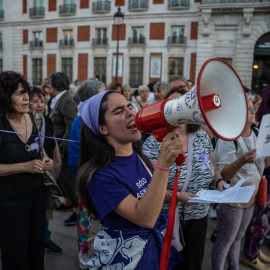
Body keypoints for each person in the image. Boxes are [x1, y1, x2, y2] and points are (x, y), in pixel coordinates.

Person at [76, 90, 188, 268]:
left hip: (151, 250)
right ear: (102, 128)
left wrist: (179, 196)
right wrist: (164, 163)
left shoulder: (137, 155)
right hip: (130, 259)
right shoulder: (99, 175)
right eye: (118, 111)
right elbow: (145, 218)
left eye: (129, 106)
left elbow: (147, 193)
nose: (130, 112)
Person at [143, 87, 224, 270]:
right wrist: (178, 197)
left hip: (198, 218)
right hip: (164, 219)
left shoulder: (203, 137)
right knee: (165, 264)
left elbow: (213, 170)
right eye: (172, 105)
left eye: (183, 104)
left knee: (192, 265)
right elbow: (148, 188)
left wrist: (219, 183)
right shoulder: (154, 141)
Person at [0, 71, 53, 270]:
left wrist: (45, 158)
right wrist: (24, 166)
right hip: (10, 202)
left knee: (36, 250)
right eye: (19, 93)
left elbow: (40, 148)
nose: (26, 98)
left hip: (37, 197)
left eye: (26, 93)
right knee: (16, 254)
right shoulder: (1, 124)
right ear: (6, 96)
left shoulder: (34, 119)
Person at [212, 95, 270, 270]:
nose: (254, 112)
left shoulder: (257, 133)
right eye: (250, 109)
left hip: (249, 197)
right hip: (232, 199)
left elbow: (263, 165)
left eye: (254, 108)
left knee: (238, 237)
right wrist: (241, 161)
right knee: (225, 240)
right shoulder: (228, 138)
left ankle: (234, 267)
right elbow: (223, 174)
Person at [68, 80, 105, 269]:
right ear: (92, 98)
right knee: (84, 217)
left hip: (104, 176)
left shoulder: (100, 117)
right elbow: (75, 156)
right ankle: (83, 252)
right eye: (102, 94)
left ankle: (105, 248)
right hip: (86, 177)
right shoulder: (80, 120)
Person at [29, 86, 62, 255]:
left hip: (48, 171)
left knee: (47, 207)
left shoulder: (47, 120)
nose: (40, 105)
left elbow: (53, 139)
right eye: (35, 102)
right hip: (30, 172)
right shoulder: (25, 120)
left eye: (42, 101)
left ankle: (45, 239)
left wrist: (57, 160)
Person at [49, 72, 78, 225]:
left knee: (67, 181)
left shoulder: (66, 101)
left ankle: (77, 210)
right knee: (63, 180)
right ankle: (68, 203)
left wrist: (62, 149)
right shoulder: (60, 99)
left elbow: (71, 127)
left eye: (50, 83)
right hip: (59, 148)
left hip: (64, 151)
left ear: (54, 84)